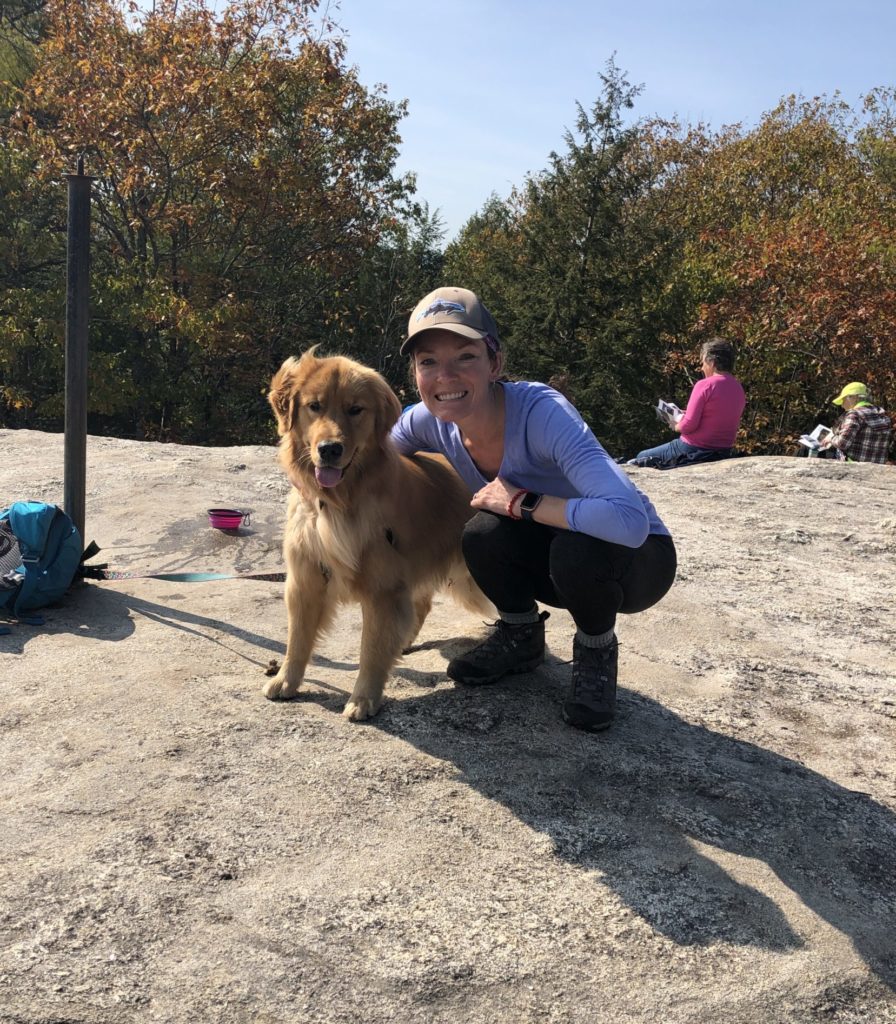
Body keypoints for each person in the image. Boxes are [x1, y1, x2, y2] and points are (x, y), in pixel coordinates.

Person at [390, 286, 677, 733]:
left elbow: (628, 520)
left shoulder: (542, 413)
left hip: (636, 561)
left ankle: (596, 652)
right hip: (554, 555)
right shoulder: (426, 421)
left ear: (494, 363)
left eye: (465, 356)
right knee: (481, 534)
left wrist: (523, 503)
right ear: (415, 374)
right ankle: (520, 636)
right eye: (428, 362)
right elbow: (369, 459)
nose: (444, 376)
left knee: (574, 549)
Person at [631, 338, 746, 468]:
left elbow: (688, 426)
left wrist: (674, 425)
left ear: (712, 362)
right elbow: (717, 416)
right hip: (723, 451)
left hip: (694, 449)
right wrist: (684, 413)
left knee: (641, 457)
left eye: (703, 362)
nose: (702, 368)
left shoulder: (705, 385)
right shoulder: (738, 387)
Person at [817, 382, 892, 464]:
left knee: (812, 451)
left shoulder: (855, 414)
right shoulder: (882, 414)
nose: (842, 405)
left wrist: (831, 439)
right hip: (877, 466)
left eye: (843, 399)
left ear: (853, 398)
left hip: (853, 466)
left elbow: (842, 444)